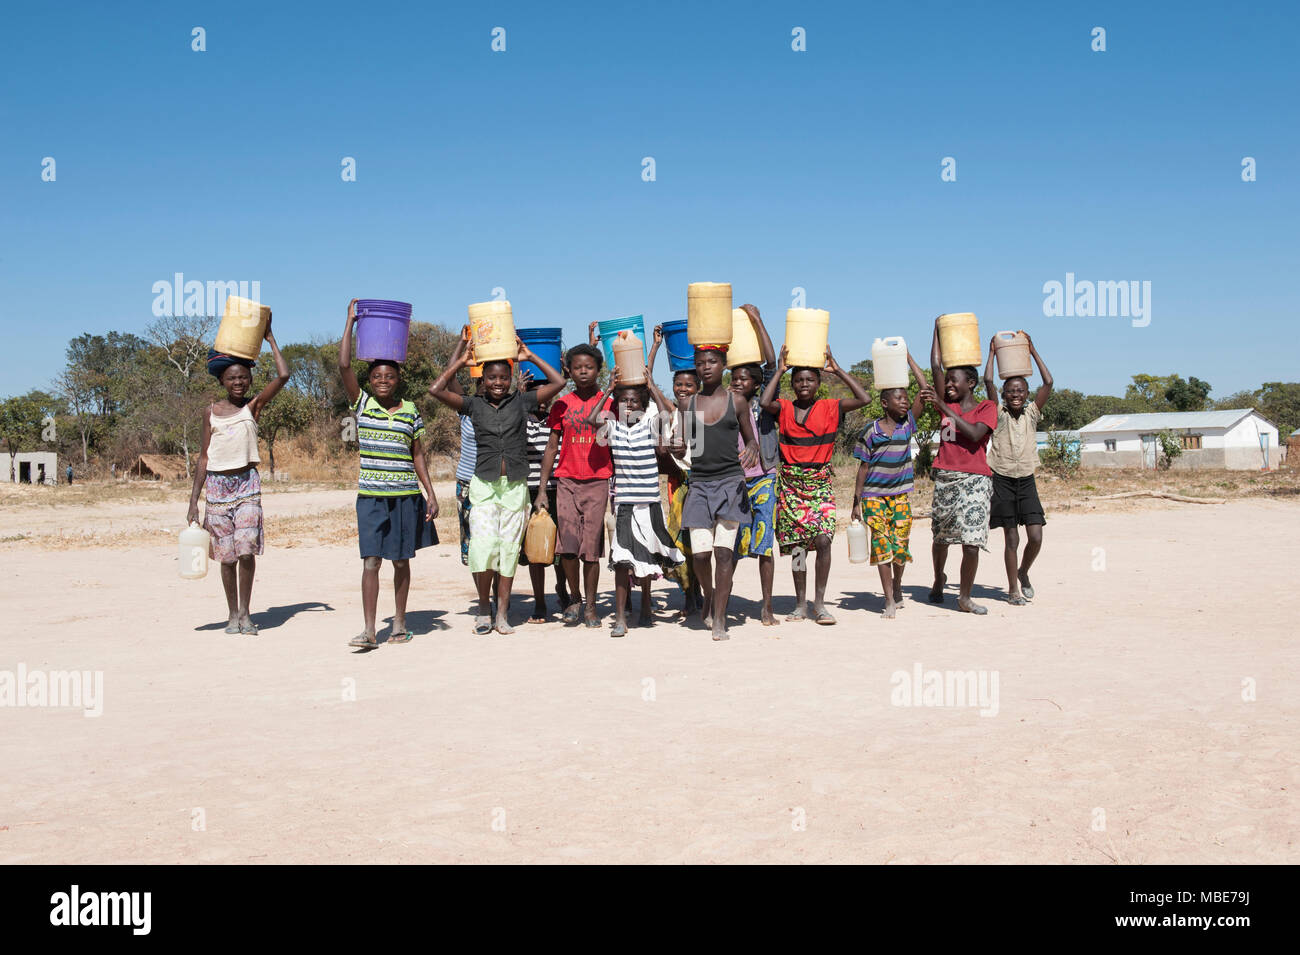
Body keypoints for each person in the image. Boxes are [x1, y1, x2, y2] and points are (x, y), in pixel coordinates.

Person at [431, 335, 565, 634]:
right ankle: (483, 608)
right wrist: (463, 363)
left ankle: (502, 613)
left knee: (507, 550)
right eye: (491, 377)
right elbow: (435, 389)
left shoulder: (522, 401)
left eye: (503, 377)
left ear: (511, 377)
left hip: (515, 487)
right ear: (484, 379)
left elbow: (558, 383)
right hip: (484, 485)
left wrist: (529, 356)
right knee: (482, 548)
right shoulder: (472, 405)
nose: (498, 382)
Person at [338, 299, 439, 648]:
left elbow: (418, 455)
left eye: (389, 376)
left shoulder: (410, 410)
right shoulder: (362, 405)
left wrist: (430, 492)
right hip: (371, 497)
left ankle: (399, 623)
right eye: (377, 376)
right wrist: (350, 322)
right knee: (370, 560)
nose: (383, 380)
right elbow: (344, 366)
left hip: (406, 495)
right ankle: (369, 630)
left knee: (400, 561)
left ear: (398, 379)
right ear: (371, 381)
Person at [187, 314, 290, 636]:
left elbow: (284, 375)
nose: (238, 383)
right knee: (227, 557)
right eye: (232, 378)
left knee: (246, 551)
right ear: (222, 381)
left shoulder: (253, 407)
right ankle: (232, 613)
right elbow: (203, 457)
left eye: (244, 378)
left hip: (247, 485)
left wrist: (270, 339)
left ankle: (247, 613)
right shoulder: (210, 412)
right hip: (217, 488)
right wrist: (194, 501)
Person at [760, 345, 871, 625]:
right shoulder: (783, 408)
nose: (804, 385)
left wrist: (837, 369)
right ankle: (800, 604)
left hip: (819, 482)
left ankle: (819, 603)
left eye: (810, 380)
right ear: (793, 384)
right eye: (799, 380)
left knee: (823, 540)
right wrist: (781, 369)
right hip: (791, 484)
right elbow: (764, 403)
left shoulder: (830, 407)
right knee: (798, 547)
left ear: (819, 383)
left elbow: (865, 398)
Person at [587, 366, 682, 637]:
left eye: (635, 401)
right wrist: (607, 389)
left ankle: (646, 607)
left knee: (648, 560)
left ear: (643, 405)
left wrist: (651, 386)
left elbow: (668, 414)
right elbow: (593, 420)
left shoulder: (651, 427)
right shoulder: (613, 428)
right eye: (624, 401)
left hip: (649, 503)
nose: (629, 405)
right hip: (625, 505)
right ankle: (619, 617)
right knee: (622, 561)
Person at [676, 342, 760, 641]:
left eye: (712, 361)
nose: (706, 367)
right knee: (700, 555)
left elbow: (751, 439)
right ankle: (709, 595)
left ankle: (720, 617)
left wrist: (751, 448)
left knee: (724, 553)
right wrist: (674, 445)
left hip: (730, 484)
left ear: (723, 364)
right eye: (700, 363)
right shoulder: (687, 404)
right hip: (699, 484)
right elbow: (685, 444)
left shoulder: (737, 402)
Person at [536, 343, 613, 628]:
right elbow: (552, 446)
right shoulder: (561, 405)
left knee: (590, 550)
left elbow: (614, 444)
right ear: (569, 370)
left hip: (598, 481)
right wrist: (543, 489)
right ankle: (575, 598)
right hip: (566, 481)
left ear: (598, 370)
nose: (583, 372)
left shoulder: (610, 403)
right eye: (578, 367)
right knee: (568, 547)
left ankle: (592, 606)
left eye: (589, 367)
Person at [851, 351, 933, 618]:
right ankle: (888, 599)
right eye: (899, 398)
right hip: (874, 497)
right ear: (884, 403)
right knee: (882, 546)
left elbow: (924, 390)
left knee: (900, 547)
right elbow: (863, 467)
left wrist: (908, 359)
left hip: (900, 497)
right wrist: (856, 501)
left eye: (905, 399)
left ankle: (897, 585)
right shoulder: (870, 431)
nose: (905, 402)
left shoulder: (907, 425)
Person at [926, 317, 999, 614]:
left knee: (972, 540)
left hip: (976, 479)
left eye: (955, 381)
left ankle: (965, 597)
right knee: (941, 537)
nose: (949, 385)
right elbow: (935, 366)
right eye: (948, 381)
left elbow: (974, 435)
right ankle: (938, 580)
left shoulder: (986, 408)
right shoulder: (949, 402)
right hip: (945, 476)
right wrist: (938, 330)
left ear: (971, 383)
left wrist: (943, 407)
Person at [983, 332, 1053, 605]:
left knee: (1035, 536)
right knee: (1010, 537)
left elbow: (1048, 382)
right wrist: (991, 352)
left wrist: (1032, 351)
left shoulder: (1032, 413)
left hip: (1026, 480)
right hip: (1001, 479)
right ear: (1004, 394)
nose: (1016, 395)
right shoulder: (997, 413)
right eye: (1011, 391)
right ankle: (1013, 589)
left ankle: (1024, 571)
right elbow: (988, 380)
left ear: (1026, 394)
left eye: (1021, 391)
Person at [727, 304, 781, 626]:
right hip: (734, 481)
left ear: (756, 382)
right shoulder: (725, 404)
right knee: (730, 546)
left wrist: (758, 320)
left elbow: (773, 364)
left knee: (764, 545)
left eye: (744, 378)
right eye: (733, 377)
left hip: (763, 478)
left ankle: (767, 607)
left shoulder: (765, 404)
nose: (737, 382)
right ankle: (720, 601)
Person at [647, 326, 702, 616]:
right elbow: (648, 382)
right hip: (677, 484)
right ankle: (690, 595)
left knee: (698, 540)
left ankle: (698, 592)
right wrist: (656, 346)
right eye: (678, 385)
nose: (682, 389)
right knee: (680, 540)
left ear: (697, 388)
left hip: (701, 484)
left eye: (688, 386)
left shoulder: (705, 412)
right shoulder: (671, 410)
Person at [519, 369, 570, 623]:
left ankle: (562, 589)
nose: (540, 400)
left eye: (544, 394)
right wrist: (519, 397)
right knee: (535, 551)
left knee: (560, 549)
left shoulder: (557, 418)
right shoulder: (519, 419)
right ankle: (540, 603)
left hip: (558, 488)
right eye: (533, 394)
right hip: (528, 491)